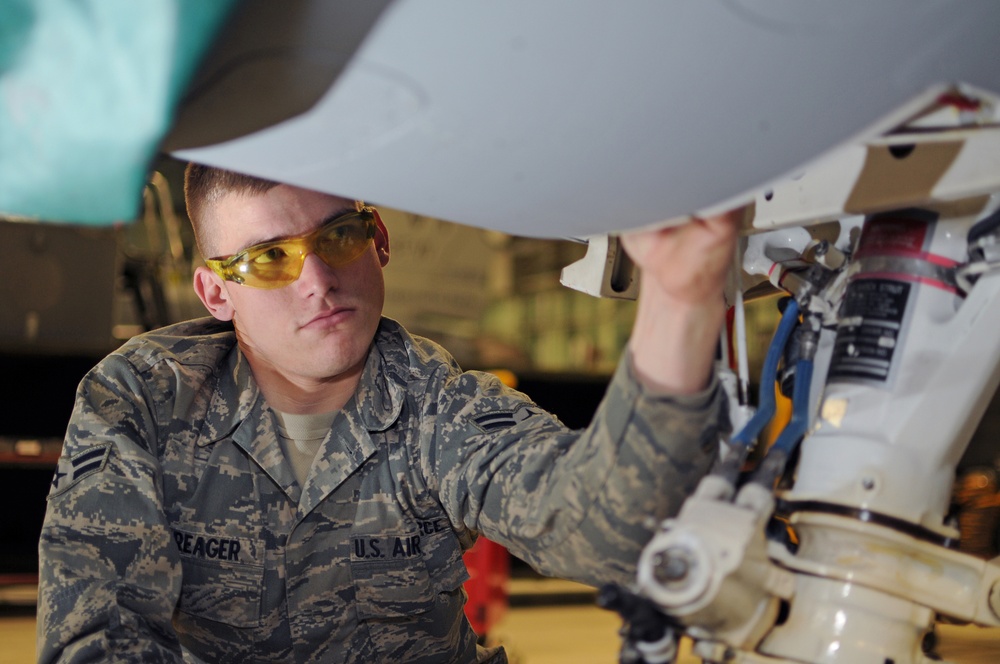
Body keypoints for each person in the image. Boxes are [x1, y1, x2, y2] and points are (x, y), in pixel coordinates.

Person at [37, 164, 738, 663]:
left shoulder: (440, 407)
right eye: (270, 260)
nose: (317, 282)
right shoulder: (142, 401)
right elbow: (99, 631)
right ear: (216, 293)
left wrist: (680, 296)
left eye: (338, 236)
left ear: (379, 242)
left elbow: (601, 528)